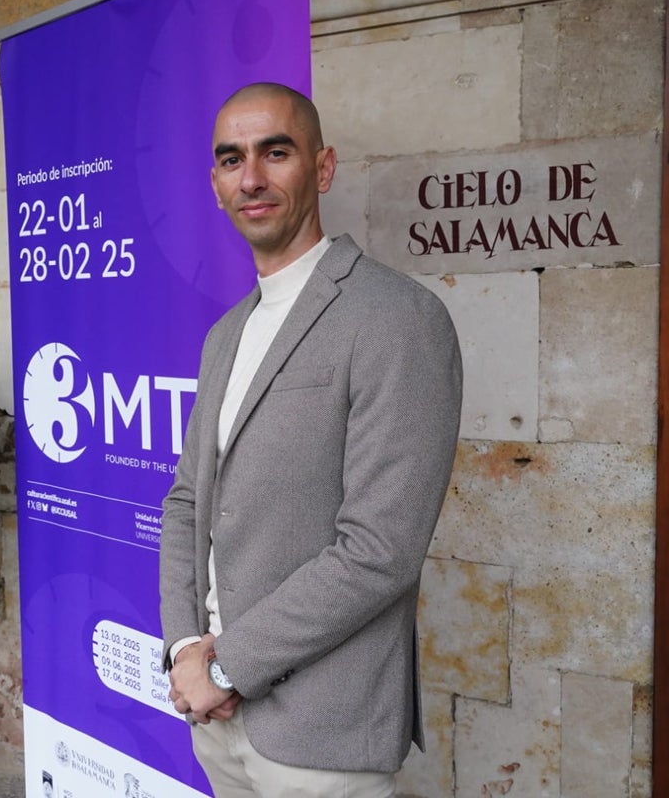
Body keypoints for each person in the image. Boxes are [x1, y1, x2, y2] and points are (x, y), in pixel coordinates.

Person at [158, 83, 463, 797]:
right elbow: (185, 503)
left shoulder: (398, 318)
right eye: (231, 160)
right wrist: (183, 654)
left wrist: (227, 666)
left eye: (276, 152)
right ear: (215, 183)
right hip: (215, 722)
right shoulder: (225, 333)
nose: (252, 178)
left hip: (323, 733)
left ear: (322, 169)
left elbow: (380, 550)